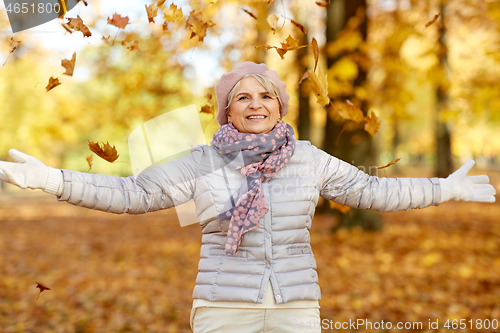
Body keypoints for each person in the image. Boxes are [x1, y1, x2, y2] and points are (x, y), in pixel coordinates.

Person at [0, 62, 496, 333]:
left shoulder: (307, 158)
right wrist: (53, 180)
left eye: (265, 96)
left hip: (295, 308)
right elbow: (132, 192)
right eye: (242, 96)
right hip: (222, 308)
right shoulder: (201, 161)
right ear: (227, 111)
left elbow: (374, 190)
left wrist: (445, 188)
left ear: (279, 106)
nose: (255, 104)